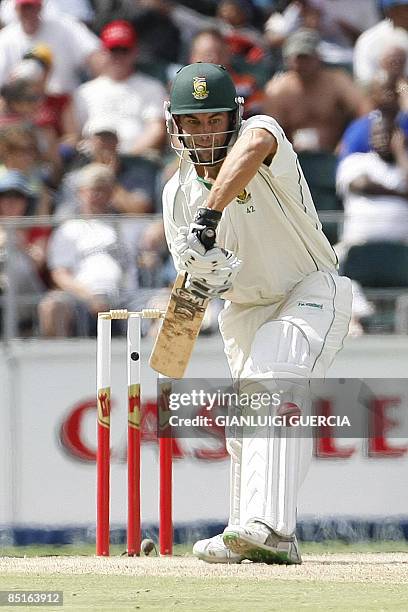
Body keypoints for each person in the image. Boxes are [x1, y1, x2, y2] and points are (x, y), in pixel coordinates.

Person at [161, 62, 352, 564]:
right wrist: (201, 280)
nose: (204, 132)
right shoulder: (175, 194)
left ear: (233, 117)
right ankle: (257, 533)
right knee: (248, 425)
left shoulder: (260, 135)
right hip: (243, 309)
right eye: (193, 122)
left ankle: (269, 527)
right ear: (175, 124)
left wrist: (211, 214)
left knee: (275, 368)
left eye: (213, 120)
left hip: (311, 287)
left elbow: (255, 147)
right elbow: (192, 282)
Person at [73, 19, 167, 157]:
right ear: (103, 52)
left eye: (124, 50)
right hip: (92, 159)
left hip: (135, 160)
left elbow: (156, 129)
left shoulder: (152, 87)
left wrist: (127, 156)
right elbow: (75, 134)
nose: (118, 57)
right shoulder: (84, 92)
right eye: (113, 50)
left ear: (135, 51)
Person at [263, 29, 365, 153]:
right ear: (288, 59)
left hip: (333, 154)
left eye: (307, 58)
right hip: (294, 158)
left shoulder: (337, 82)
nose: (303, 63)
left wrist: (348, 142)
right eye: (298, 58)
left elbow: (365, 112)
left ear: (318, 57)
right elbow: (269, 131)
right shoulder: (277, 90)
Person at [0, 0, 102, 96]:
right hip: (23, 104)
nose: (28, 12)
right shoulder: (6, 38)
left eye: (32, 7)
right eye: (24, 8)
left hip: (63, 101)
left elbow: (96, 56)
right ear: (16, 9)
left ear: (40, 7)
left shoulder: (65, 26)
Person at [354, 0, 408, 86]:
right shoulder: (370, 39)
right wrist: (389, 76)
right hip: (386, 94)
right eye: (406, 8)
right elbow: (365, 83)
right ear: (391, 11)